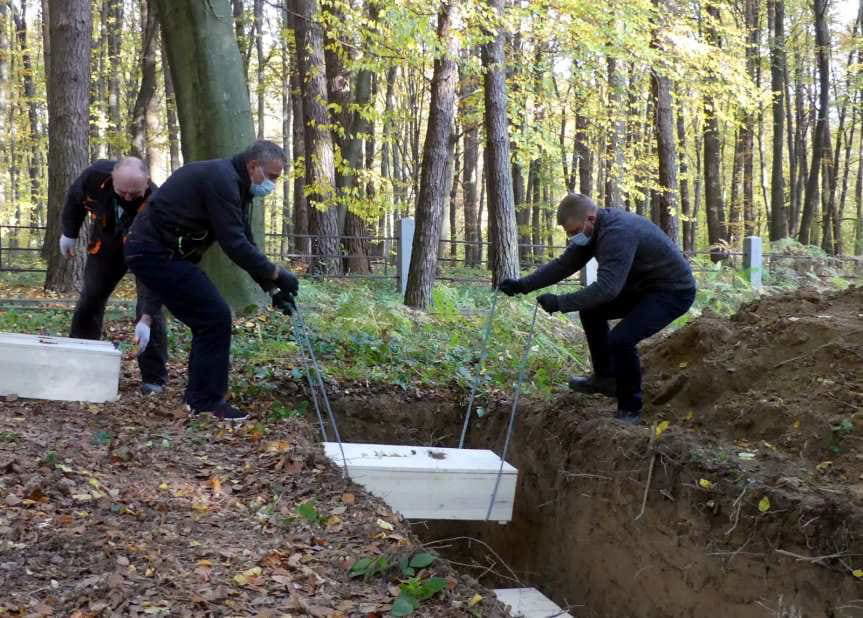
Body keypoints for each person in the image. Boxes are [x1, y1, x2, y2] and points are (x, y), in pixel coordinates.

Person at [124, 140, 298, 422]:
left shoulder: (235, 184)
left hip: (167, 254)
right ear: (253, 166)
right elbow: (234, 243)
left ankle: (199, 398)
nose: (273, 185)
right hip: (153, 252)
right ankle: (205, 402)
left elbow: (245, 239)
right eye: (273, 176)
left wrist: (271, 287)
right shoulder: (222, 181)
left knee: (210, 318)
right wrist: (277, 273)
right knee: (214, 317)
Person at [498, 193, 696, 423]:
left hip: (672, 292)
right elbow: (564, 265)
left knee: (621, 339)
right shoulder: (593, 231)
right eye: (568, 233)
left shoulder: (617, 233)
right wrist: (523, 285)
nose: (572, 237)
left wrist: (561, 303)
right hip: (642, 287)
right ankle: (605, 378)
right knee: (592, 311)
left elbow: (607, 289)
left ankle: (631, 407)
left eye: (573, 232)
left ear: (590, 219)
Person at [59, 157, 169, 395]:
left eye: (135, 193)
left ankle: (154, 378)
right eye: (122, 191)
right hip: (106, 245)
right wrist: (69, 232)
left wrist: (147, 318)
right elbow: (74, 200)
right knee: (90, 299)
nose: (127, 197)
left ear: (146, 182)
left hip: (146, 251)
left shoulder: (160, 202)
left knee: (149, 308)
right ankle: (80, 359)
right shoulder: (94, 176)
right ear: (112, 179)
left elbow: (160, 267)